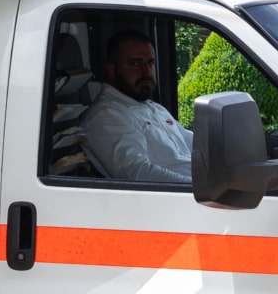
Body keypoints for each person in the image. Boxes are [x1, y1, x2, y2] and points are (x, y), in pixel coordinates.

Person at [80, 29, 194, 184]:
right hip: (181, 200)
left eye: (151, 63)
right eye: (135, 63)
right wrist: (200, 189)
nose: (146, 72)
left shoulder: (154, 108)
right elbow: (136, 174)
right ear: (112, 70)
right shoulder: (105, 117)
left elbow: (194, 144)